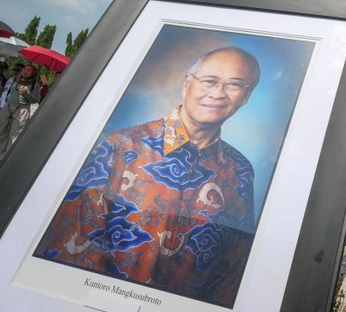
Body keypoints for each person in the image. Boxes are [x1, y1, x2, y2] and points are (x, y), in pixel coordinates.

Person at [35, 47, 260, 307]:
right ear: (187, 83)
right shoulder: (122, 145)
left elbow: (233, 260)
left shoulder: (240, 170)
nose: (218, 93)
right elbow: (71, 240)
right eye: (210, 81)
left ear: (246, 96)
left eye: (235, 85)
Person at [0, 64, 41, 159]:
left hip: (21, 110)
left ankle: (7, 158)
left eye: (29, 70)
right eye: (24, 69)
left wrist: (27, 93)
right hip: (8, 107)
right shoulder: (16, 79)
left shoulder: (35, 85)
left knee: (14, 134)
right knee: (2, 130)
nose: (25, 71)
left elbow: (35, 100)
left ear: (33, 73)